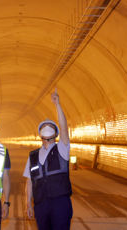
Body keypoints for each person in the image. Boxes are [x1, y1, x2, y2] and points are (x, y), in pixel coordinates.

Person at [23, 89, 73, 230]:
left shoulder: (61, 149)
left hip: (60, 203)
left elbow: (64, 128)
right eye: (44, 127)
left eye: (50, 126)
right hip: (40, 204)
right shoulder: (33, 156)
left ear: (55, 133)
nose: (47, 127)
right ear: (40, 134)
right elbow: (29, 181)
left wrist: (57, 105)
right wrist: (28, 203)